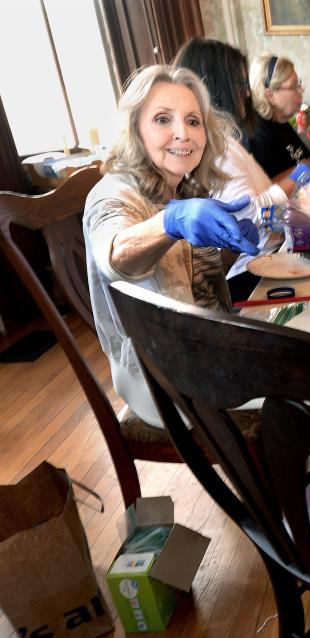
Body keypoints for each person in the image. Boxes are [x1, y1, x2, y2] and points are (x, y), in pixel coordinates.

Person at [84, 65, 259, 428]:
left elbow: (190, 283)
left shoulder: (182, 189)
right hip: (160, 378)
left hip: (206, 347)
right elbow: (113, 258)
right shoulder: (114, 194)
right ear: (136, 130)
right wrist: (170, 223)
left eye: (193, 121)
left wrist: (230, 246)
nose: (183, 133)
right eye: (163, 119)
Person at [174, 38, 296, 299]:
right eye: (241, 84)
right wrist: (294, 180)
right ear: (218, 87)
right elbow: (248, 211)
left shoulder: (225, 141)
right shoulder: (219, 150)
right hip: (250, 274)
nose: (248, 92)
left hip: (263, 260)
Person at [249, 53, 310, 180]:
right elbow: (272, 187)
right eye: (294, 86)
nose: (301, 90)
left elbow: (303, 158)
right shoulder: (258, 135)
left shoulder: (280, 120)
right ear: (270, 95)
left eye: (298, 84)